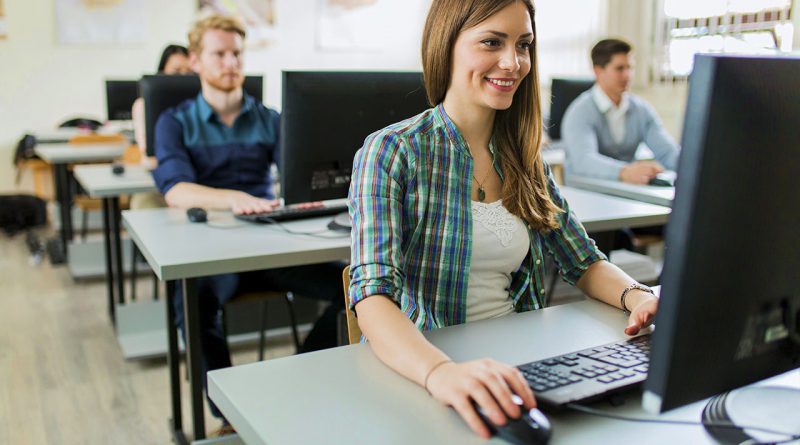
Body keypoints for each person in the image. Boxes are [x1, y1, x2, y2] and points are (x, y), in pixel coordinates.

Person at [347, 0, 659, 439]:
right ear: (447, 45)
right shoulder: (392, 152)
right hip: (426, 366)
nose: (513, 63)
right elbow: (372, 297)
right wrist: (442, 373)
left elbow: (582, 261)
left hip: (520, 361)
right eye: (491, 42)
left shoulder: (524, 157)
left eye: (524, 45)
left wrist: (639, 297)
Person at [152, 14, 344, 434]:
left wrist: (308, 192)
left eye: (236, 53)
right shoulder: (174, 122)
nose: (230, 63)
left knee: (352, 287)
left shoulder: (269, 117)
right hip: (208, 247)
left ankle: (292, 385)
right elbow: (176, 190)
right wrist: (236, 200)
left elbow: (298, 176)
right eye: (218, 54)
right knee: (190, 302)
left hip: (268, 242)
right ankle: (230, 417)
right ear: (197, 62)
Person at [562, 38, 680, 184]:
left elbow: (668, 152)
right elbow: (583, 161)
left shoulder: (641, 110)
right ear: (598, 71)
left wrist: (692, 169)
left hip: (624, 191)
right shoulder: (580, 112)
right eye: (620, 69)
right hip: (585, 191)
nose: (627, 75)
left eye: (630, 68)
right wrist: (626, 171)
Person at [131, 44, 192, 161]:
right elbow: (147, 150)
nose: (184, 77)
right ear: (162, 71)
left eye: (189, 72)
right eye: (176, 71)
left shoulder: (198, 107)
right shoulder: (143, 106)